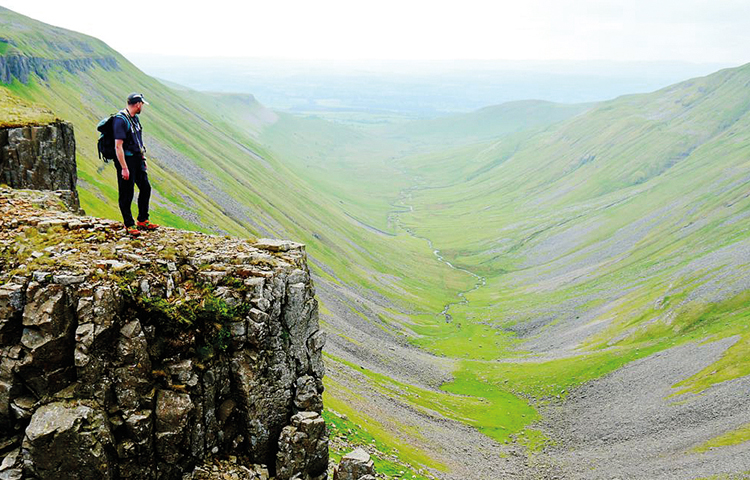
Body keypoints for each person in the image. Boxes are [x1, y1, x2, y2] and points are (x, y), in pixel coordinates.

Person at [113, 92, 158, 236]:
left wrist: (142, 158)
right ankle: (129, 224)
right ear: (138, 104)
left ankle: (143, 219)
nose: (142, 107)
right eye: (142, 104)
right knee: (127, 193)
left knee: (145, 188)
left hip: (138, 159)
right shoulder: (120, 120)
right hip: (127, 160)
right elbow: (118, 146)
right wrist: (124, 168)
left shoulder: (135, 119)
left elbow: (137, 140)